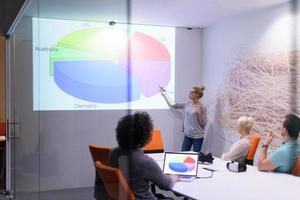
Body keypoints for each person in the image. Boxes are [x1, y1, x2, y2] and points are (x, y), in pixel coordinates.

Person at [109, 112, 178, 200]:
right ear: (145, 136)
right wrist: (174, 177)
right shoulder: (144, 162)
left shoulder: (113, 153)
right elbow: (166, 185)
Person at [161, 85, 207, 152]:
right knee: (183, 154)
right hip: (188, 135)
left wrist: (199, 113)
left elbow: (203, 123)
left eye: (192, 92)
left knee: (196, 156)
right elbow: (174, 105)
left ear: (197, 95)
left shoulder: (202, 107)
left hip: (197, 137)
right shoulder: (188, 104)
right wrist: (165, 94)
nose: (189, 94)